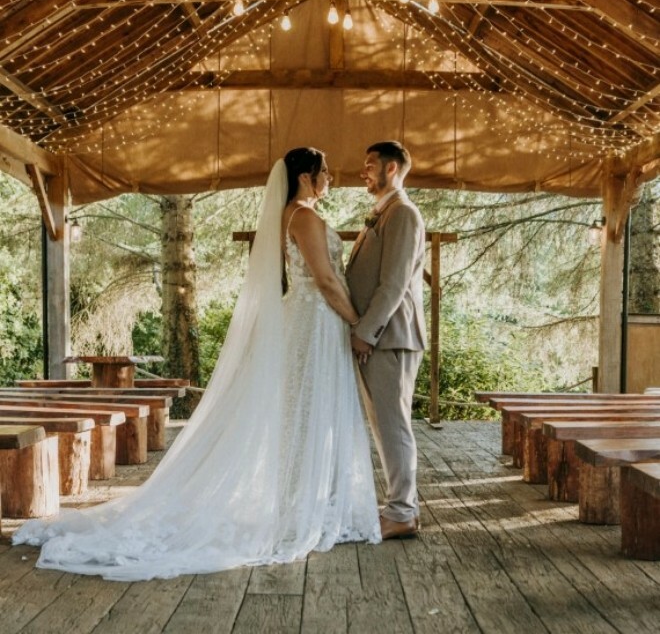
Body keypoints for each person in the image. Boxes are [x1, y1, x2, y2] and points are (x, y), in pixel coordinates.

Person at [13, 148, 380, 580]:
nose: (331, 179)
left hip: (310, 320)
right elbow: (324, 279)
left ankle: (308, 499)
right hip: (316, 320)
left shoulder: (293, 216)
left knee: (305, 411)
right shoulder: (303, 217)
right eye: (325, 173)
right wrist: (358, 322)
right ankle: (305, 505)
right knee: (307, 411)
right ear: (305, 176)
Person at [346, 141, 426, 540]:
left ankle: (401, 513)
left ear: (391, 168)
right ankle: (401, 505)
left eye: (369, 164)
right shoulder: (385, 213)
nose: (364, 171)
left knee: (393, 427)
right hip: (380, 340)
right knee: (385, 426)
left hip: (391, 339)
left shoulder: (404, 215)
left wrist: (365, 332)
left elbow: (393, 284)